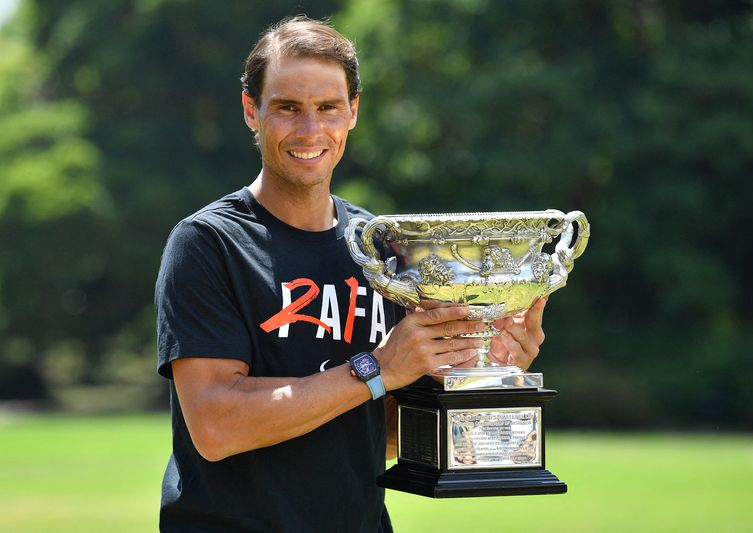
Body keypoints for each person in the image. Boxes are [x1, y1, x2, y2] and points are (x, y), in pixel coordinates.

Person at [154, 15, 548, 533]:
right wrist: (378, 367)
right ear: (252, 111)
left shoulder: (382, 249)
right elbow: (215, 425)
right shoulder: (209, 243)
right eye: (288, 108)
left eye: (328, 108)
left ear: (353, 112)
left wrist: (474, 373)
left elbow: (377, 432)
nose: (310, 130)